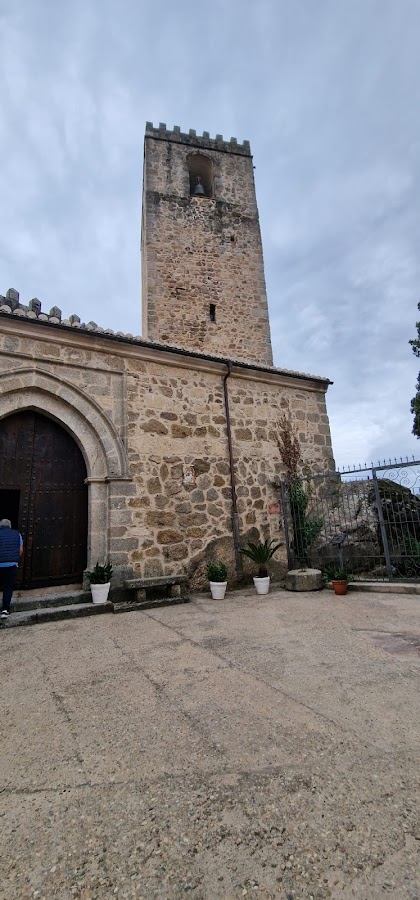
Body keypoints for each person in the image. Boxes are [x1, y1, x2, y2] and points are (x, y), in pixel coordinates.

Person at [0, 519, 23, 620]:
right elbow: (21, 549)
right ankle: (5, 610)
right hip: (12, 564)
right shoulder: (17, 534)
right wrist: (15, 558)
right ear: (10, 526)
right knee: (8, 587)